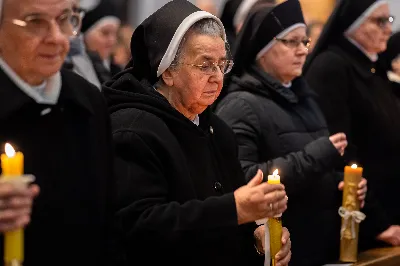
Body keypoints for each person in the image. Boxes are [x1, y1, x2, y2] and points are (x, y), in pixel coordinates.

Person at [102, 1, 291, 266]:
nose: (217, 77)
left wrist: (257, 237)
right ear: (168, 71)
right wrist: (234, 209)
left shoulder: (219, 131)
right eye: (205, 65)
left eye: (221, 65)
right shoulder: (132, 130)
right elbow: (140, 228)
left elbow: (232, 218)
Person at [214, 1, 370, 265]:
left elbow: (315, 166)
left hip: (321, 244)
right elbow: (243, 179)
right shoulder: (239, 105)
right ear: (262, 48)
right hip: (282, 249)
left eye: (305, 42)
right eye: (292, 42)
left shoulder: (305, 97)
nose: (302, 51)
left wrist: (340, 184)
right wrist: (316, 156)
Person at [0, 0, 115, 265]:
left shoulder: (89, 101)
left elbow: (109, 220)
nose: (56, 37)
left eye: (64, 19)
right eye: (35, 22)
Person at [304, 0, 400, 249]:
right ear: (354, 24)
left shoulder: (370, 66)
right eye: (380, 21)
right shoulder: (331, 67)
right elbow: (341, 151)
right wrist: (377, 223)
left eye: (389, 21)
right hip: (361, 223)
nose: (388, 30)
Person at [81, 0, 121, 85]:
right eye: (105, 33)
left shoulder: (118, 71)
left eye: (115, 33)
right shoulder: (74, 69)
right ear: (85, 36)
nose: (112, 40)